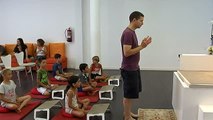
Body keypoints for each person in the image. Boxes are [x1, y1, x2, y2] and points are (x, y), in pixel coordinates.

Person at [120, 11, 152, 120]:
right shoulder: (128, 33)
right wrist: (142, 46)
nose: (142, 23)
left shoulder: (132, 32)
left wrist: (141, 45)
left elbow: (132, 49)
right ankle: (127, 116)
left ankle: (128, 113)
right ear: (134, 20)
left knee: (131, 94)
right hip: (129, 69)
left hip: (133, 68)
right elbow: (127, 52)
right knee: (128, 95)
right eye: (141, 20)